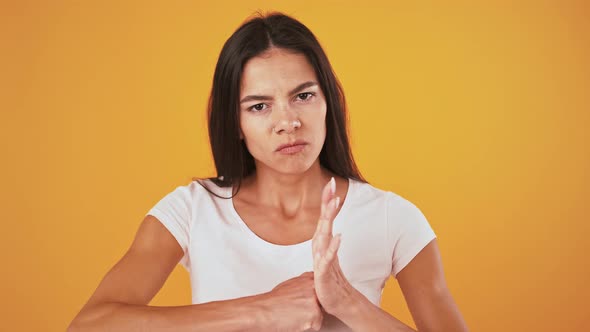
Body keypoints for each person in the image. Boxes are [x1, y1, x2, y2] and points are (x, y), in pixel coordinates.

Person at [68, 12, 468, 332]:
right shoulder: (191, 211)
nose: (287, 121)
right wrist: (260, 312)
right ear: (235, 123)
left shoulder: (392, 218)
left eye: (303, 96)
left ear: (329, 102)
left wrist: (345, 302)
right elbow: (90, 325)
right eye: (259, 106)